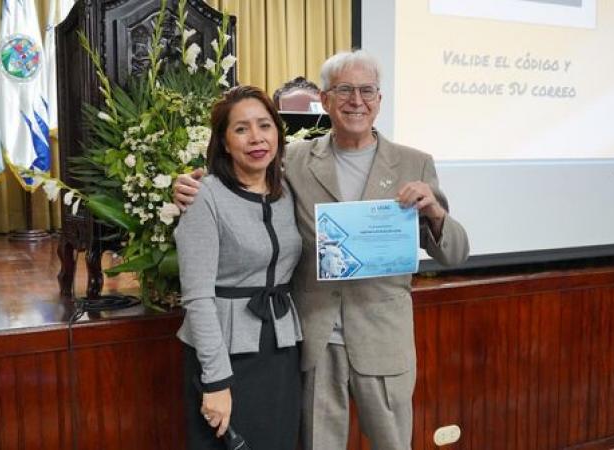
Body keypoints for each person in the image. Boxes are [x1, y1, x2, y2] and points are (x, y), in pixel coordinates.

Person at [175, 50, 470, 450]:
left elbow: (455, 253)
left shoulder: (414, 164)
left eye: (367, 90)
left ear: (380, 100)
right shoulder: (294, 159)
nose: (356, 100)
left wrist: (434, 212)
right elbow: (242, 181)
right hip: (314, 338)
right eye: (344, 90)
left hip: (382, 338)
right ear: (325, 100)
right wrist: (189, 185)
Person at [175, 85, 303, 450]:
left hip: (280, 349)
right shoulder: (204, 196)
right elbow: (197, 297)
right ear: (224, 142)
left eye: (265, 125)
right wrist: (215, 381)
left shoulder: (287, 189)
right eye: (241, 129)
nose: (256, 138)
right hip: (224, 353)